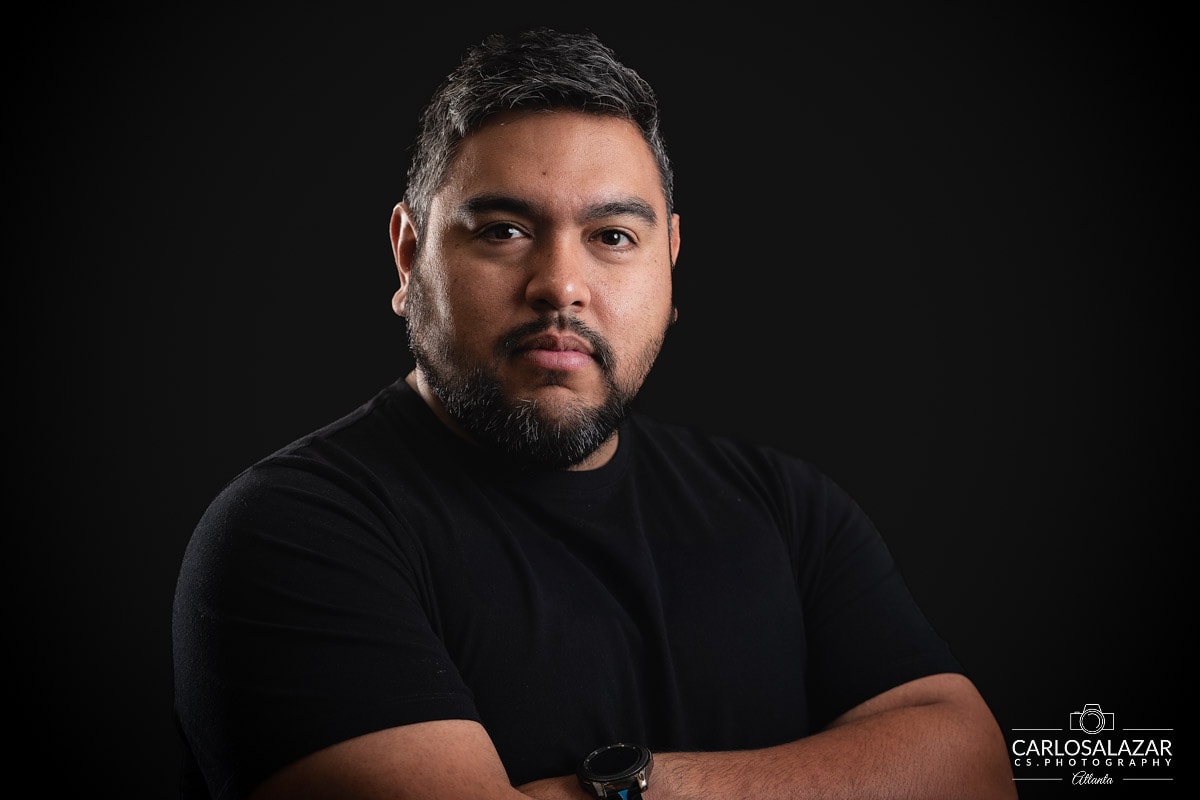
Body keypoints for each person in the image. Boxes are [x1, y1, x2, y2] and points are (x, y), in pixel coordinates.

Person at [172, 27, 1017, 800]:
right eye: (503, 230)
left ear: (671, 265)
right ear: (407, 254)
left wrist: (615, 790)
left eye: (613, 236)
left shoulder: (787, 511)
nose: (560, 285)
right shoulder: (293, 533)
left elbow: (974, 766)